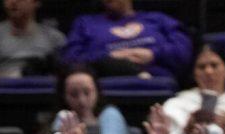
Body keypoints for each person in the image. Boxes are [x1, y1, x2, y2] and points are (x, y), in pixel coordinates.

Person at [62, 0, 191, 80]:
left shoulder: (158, 19)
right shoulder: (85, 23)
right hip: (105, 88)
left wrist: (153, 54)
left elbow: (184, 50)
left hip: (158, 83)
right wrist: (109, 58)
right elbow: (71, 59)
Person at [51, 65, 137, 134]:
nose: (82, 100)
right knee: (65, 117)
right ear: (64, 96)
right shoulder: (62, 117)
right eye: (73, 94)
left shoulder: (110, 116)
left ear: (97, 91)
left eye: (87, 93)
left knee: (111, 112)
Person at [0, 0, 66, 93]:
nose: (13, 2)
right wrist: (14, 79)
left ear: (36, 2)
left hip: (44, 98)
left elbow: (65, 80)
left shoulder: (55, 38)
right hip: (3, 98)